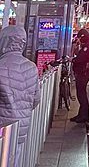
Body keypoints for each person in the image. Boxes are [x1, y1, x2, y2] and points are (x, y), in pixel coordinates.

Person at [0, 25, 40, 161]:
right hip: (21, 126)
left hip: (2, 126)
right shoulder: (32, 67)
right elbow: (36, 99)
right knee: (13, 159)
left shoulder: (1, 66)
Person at [71, 27, 89, 125]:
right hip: (82, 72)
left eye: (80, 38)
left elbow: (81, 59)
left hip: (83, 72)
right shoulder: (87, 45)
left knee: (81, 94)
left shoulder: (88, 46)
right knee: (80, 93)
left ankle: (84, 115)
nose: (79, 40)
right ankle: (81, 113)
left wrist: (73, 60)